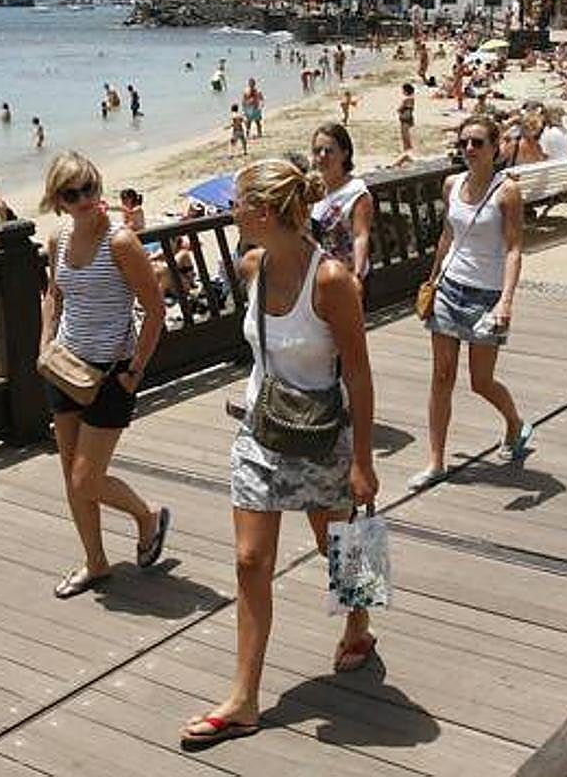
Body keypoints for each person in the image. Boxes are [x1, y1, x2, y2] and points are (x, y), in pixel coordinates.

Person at [180, 158, 378, 746]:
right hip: (260, 431)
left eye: (238, 204)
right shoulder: (252, 267)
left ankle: (360, 623)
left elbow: (361, 377)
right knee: (248, 561)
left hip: (320, 434)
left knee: (335, 542)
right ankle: (243, 698)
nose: (231, 212)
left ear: (263, 213)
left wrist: (364, 461)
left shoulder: (332, 281)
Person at [38, 151, 169, 599]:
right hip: (64, 368)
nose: (86, 199)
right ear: (59, 201)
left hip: (112, 372)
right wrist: (46, 342)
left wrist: (134, 371)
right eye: (73, 194)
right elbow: (53, 295)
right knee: (70, 475)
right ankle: (96, 562)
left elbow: (155, 311)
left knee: (86, 478)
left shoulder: (121, 243)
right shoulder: (57, 238)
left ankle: (146, 515)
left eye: (90, 188)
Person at [408, 116, 533, 492]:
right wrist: (432, 280)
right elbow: (448, 234)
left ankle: (514, 423)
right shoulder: (452, 184)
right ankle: (436, 461)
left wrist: (506, 301)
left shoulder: (506, 191)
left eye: (478, 143)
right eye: (464, 143)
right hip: (450, 288)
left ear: (496, 148)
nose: (469, 150)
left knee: (480, 381)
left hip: (486, 294)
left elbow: (513, 249)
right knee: (441, 377)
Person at [309, 123, 373, 286]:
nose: (322, 156)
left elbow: (361, 235)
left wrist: (357, 277)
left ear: (345, 154)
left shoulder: (355, 191)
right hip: (321, 278)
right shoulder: (313, 190)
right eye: (317, 151)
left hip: (347, 277)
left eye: (329, 151)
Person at [398, 83, 415, 152]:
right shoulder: (411, 99)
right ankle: (407, 147)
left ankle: (407, 148)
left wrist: (400, 109)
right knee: (406, 133)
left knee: (405, 134)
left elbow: (402, 108)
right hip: (407, 118)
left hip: (406, 118)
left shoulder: (408, 100)